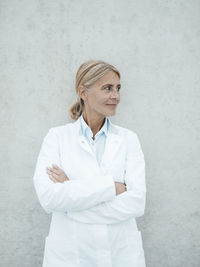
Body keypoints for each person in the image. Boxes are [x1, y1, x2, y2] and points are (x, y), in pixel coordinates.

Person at [33, 59, 146, 267]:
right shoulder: (57, 137)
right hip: (71, 255)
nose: (116, 96)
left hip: (120, 255)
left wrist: (70, 193)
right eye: (107, 88)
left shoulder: (129, 139)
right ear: (83, 92)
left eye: (118, 88)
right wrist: (111, 188)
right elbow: (49, 198)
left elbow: (137, 203)